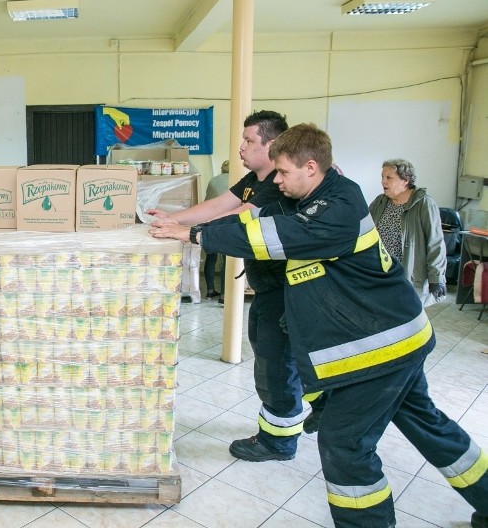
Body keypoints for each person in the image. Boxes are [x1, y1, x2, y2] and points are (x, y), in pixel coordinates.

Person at [151, 123, 487, 528]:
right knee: (427, 424)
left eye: (284, 172)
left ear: (311, 167)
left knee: (344, 445)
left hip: (381, 347)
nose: (276, 180)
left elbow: (271, 236)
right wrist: (179, 224)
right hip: (400, 337)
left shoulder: (341, 204)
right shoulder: (302, 192)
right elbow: (242, 209)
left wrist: (193, 235)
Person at [148, 110, 310, 462]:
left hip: (287, 290)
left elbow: (239, 216)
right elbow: (220, 204)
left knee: (278, 363)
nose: (241, 147)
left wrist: (187, 233)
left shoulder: (277, 189)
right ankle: (282, 427)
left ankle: (279, 442)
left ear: (272, 144)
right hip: (268, 287)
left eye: (250, 141)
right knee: (269, 357)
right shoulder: (255, 177)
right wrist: (173, 218)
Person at [369, 159, 447, 307]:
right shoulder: (380, 202)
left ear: (405, 181)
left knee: (407, 318)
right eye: (382, 177)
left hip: (408, 275)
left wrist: (436, 278)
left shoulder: (424, 203)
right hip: (381, 274)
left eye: (389, 178)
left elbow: (435, 243)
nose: (383, 181)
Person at [202, 159, 230, 299]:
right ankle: (224, 295)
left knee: (211, 257)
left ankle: (210, 290)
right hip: (228, 222)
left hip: (211, 222)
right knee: (227, 259)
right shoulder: (238, 181)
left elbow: (207, 201)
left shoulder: (213, 181)